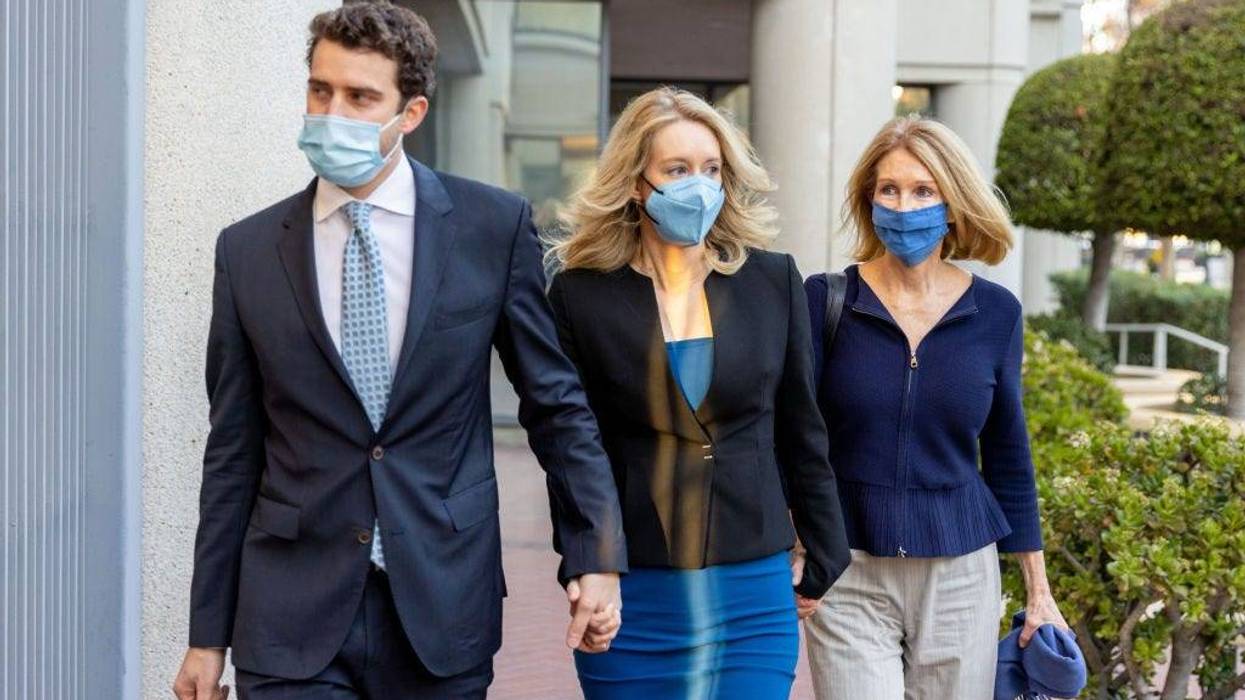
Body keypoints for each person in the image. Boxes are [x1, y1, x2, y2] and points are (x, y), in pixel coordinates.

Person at [172, 4, 626, 698]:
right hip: (289, 614)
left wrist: (592, 553)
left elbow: (555, 405)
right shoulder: (248, 251)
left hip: (442, 603)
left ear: (410, 112)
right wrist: (208, 635)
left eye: (360, 97)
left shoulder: (491, 227)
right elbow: (232, 447)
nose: (333, 113)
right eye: (320, 91)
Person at [546, 86, 851, 699]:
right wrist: (588, 560)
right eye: (677, 170)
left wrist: (825, 549)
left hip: (754, 592)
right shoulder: (580, 295)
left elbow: (800, 426)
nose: (700, 185)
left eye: (711, 169)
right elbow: (571, 448)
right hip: (634, 591)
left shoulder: (772, 281)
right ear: (637, 183)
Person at [802, 115, 1069, 699]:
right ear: (868, 201)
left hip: (961, 577)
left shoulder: (996, 312)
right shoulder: (825, 301)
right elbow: (796, 435)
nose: (904, 207)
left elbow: (1008, 452)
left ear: (952, 204)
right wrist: (797, 543)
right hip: (849, 570)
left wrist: (1038, 591)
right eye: (889, 190)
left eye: (924, 191)